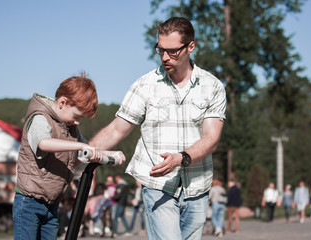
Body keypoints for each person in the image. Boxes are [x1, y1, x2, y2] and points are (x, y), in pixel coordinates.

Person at [89, 16, 226, 240]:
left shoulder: (212, 86)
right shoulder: (145, 85)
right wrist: (82, 153)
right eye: (160, 50)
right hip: (157, 185)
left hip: (197, 186)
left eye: (172, 51)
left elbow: (211, 138)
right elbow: (117, 129)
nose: (164, 57)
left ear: (191, 47)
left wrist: (180, 158)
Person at [12, 75, 125, 240]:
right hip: (29, 201)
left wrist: (110, 154)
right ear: (63, 102)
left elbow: (88, 150)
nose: (78, 122)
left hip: (52, 203)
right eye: (77, 116)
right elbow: (44, 143)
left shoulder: (70, 127)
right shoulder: (40, 118)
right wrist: (80, 146)